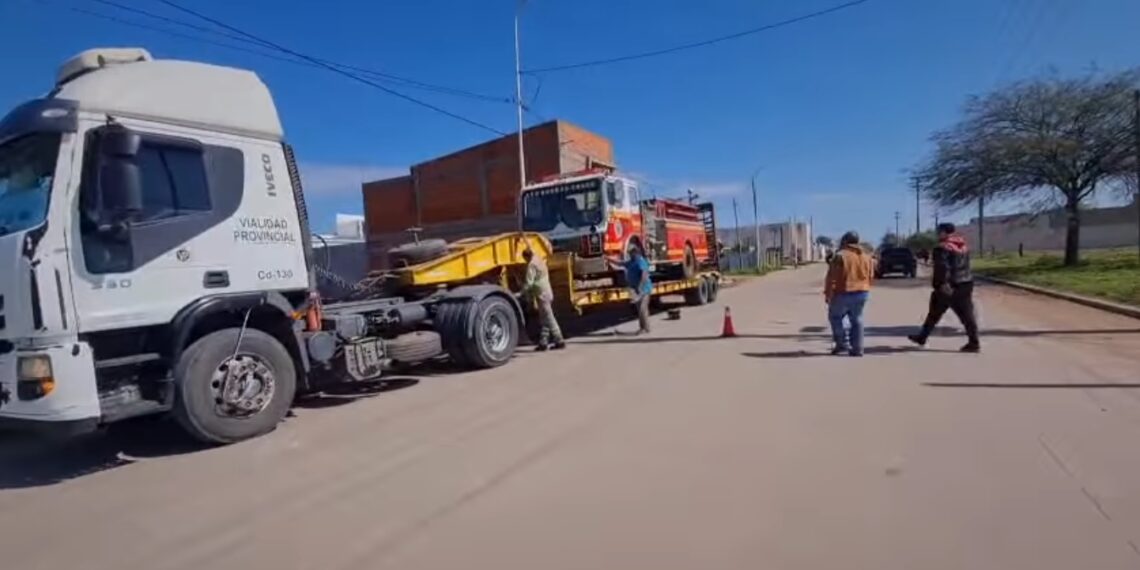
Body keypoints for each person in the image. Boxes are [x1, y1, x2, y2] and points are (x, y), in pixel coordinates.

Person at [908, 223, 980, 353]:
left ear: (944, 232)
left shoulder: (942, 248)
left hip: (948, 285)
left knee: (936, 313)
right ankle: (922, 337)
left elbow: (942, 268)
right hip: (966, 283)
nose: (937, 234)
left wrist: (940, 284)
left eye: (939, 232)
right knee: (965, 314)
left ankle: (973, 342)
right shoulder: (963, 246)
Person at [823, 231, 875, 356]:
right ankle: (858, 349)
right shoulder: (866, 256)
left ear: (845, 241)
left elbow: (832, 277)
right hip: (862, 291)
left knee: (835, 317)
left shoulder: (840, 256)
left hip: (843, 291)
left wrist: (828, 294)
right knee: (857, 318)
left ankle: (842, 344)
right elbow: (871, 275)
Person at [521, 248, 565, 351]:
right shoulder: (539, 260)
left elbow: (529, 283)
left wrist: (522, 292)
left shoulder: (531, 265)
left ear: (526, 257)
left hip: (541, 294)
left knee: (549, 318)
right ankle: (543, 342)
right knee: (544, 319)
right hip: (548, 292)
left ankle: (559, 340)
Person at [624, 247, 653, 334]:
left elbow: (644, 274)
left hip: (644, 289)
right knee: (640, 309)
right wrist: (609, 259)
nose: (629, 255)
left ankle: (645, 328)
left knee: (642, 309)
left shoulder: (641, 261)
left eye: (631, 254)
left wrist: (640, 287)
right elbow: (621, 263)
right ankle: (643, 327)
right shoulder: (631, 262)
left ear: (636, 253)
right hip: (636, 289)